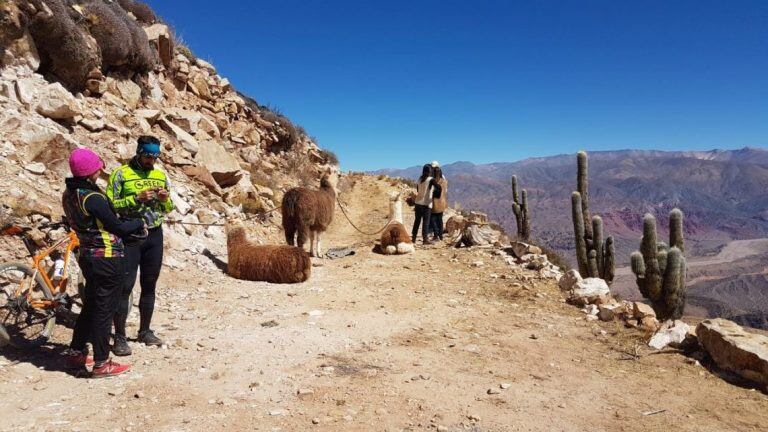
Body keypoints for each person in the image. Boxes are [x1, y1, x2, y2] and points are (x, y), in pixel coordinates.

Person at [62, 148, 146, 377]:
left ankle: (76, 352)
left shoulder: (70, 194)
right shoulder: (94, 198)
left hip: (88, 257)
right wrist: (138, 222)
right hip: (107, 258)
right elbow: (117, 227)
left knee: (90, 306)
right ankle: (101, 362)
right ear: (92, 171)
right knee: (103, 311)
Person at [107, 136, 174, 355]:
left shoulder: (160, 174)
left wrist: (164, 200)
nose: (151, 161)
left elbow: (169, 208)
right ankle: (119, 336)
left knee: (150, 283)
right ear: (138, 152)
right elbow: (110, 206)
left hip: (154, 234)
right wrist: (136, 198)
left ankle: (145, 331)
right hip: (130, 235)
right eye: (147, 156)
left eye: (156, 156)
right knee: (125, 286)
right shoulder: (121, 174)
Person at [411, 164, 441, 245]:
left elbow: (417, 189)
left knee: (417, 221)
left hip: (417, 203)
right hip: (426, 204)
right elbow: (438, 187)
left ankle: (413, 238)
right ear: (430, 171)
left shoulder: (420, 179)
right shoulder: (431, 179)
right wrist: (436, 195)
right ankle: (425, 240)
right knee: (426, 222)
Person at [429, 166, 448, 241]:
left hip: (434, 203)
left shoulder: (433, 182)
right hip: (442, 202)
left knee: (433, 220)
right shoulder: (445, 181)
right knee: (440, 220)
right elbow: (445, 191)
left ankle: (436, 235)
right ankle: (441, 235)